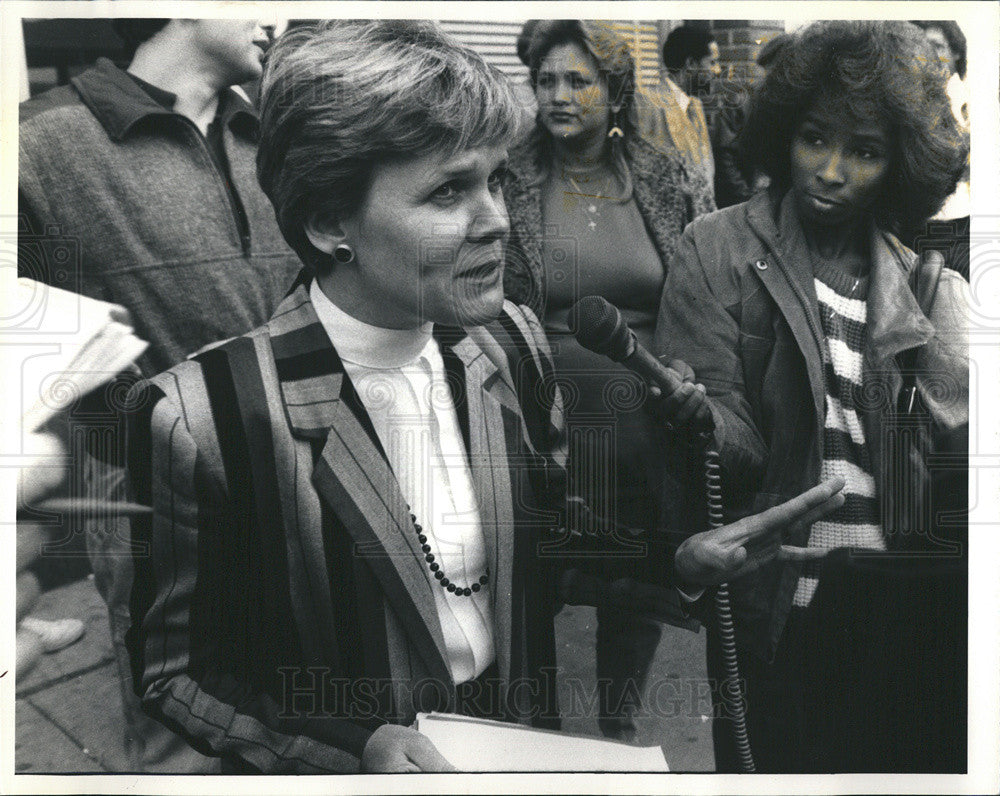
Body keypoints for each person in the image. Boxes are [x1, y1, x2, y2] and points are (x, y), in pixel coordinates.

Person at [124, 20, 845, 773]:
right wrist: (352, 745)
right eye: (447, 191)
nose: (496, 220)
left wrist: (675, 562)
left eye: (495, 179)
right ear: (329, 221)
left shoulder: (509, 343)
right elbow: (179, 671)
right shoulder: (202, 414)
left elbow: (542, 538)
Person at [654, 21, 968, 772]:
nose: (830, 170)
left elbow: (960, 475)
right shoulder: (716, 248)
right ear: (784, 132)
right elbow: (732, 451)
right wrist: (695, 415)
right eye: (816, 138)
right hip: (773, 610)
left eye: (863, 151)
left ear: (897, 165)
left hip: (897, 610)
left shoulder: (925, 285)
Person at [18, 17, 302, 772]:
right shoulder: (40, 141)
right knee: (184, 736)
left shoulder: (270, 129)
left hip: (296, 473)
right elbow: (35, 334)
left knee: (296, 714)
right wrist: (153, 444)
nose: (277, 15)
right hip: (155, 497)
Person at [502, 19, 712, 742]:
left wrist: (688, 370)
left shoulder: (665, 176)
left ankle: (617, 728)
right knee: (531, 587)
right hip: (539, 434)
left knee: (632, 589)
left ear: (615, 92)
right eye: (545, 80)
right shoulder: (506, 177)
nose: (557, 95)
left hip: (645, 430)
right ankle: (535, 737)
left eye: (577, 81)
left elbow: (700, 291)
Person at [632, 23, 720, 196]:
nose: (717, 71)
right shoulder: (648, 107)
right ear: (691, 63)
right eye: (712, 62)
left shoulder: (696, 106)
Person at [710, 33, 788, 209]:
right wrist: (746, 198)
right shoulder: (740, 104)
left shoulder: (796, 107)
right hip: (747, 204)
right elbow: (725, 156)